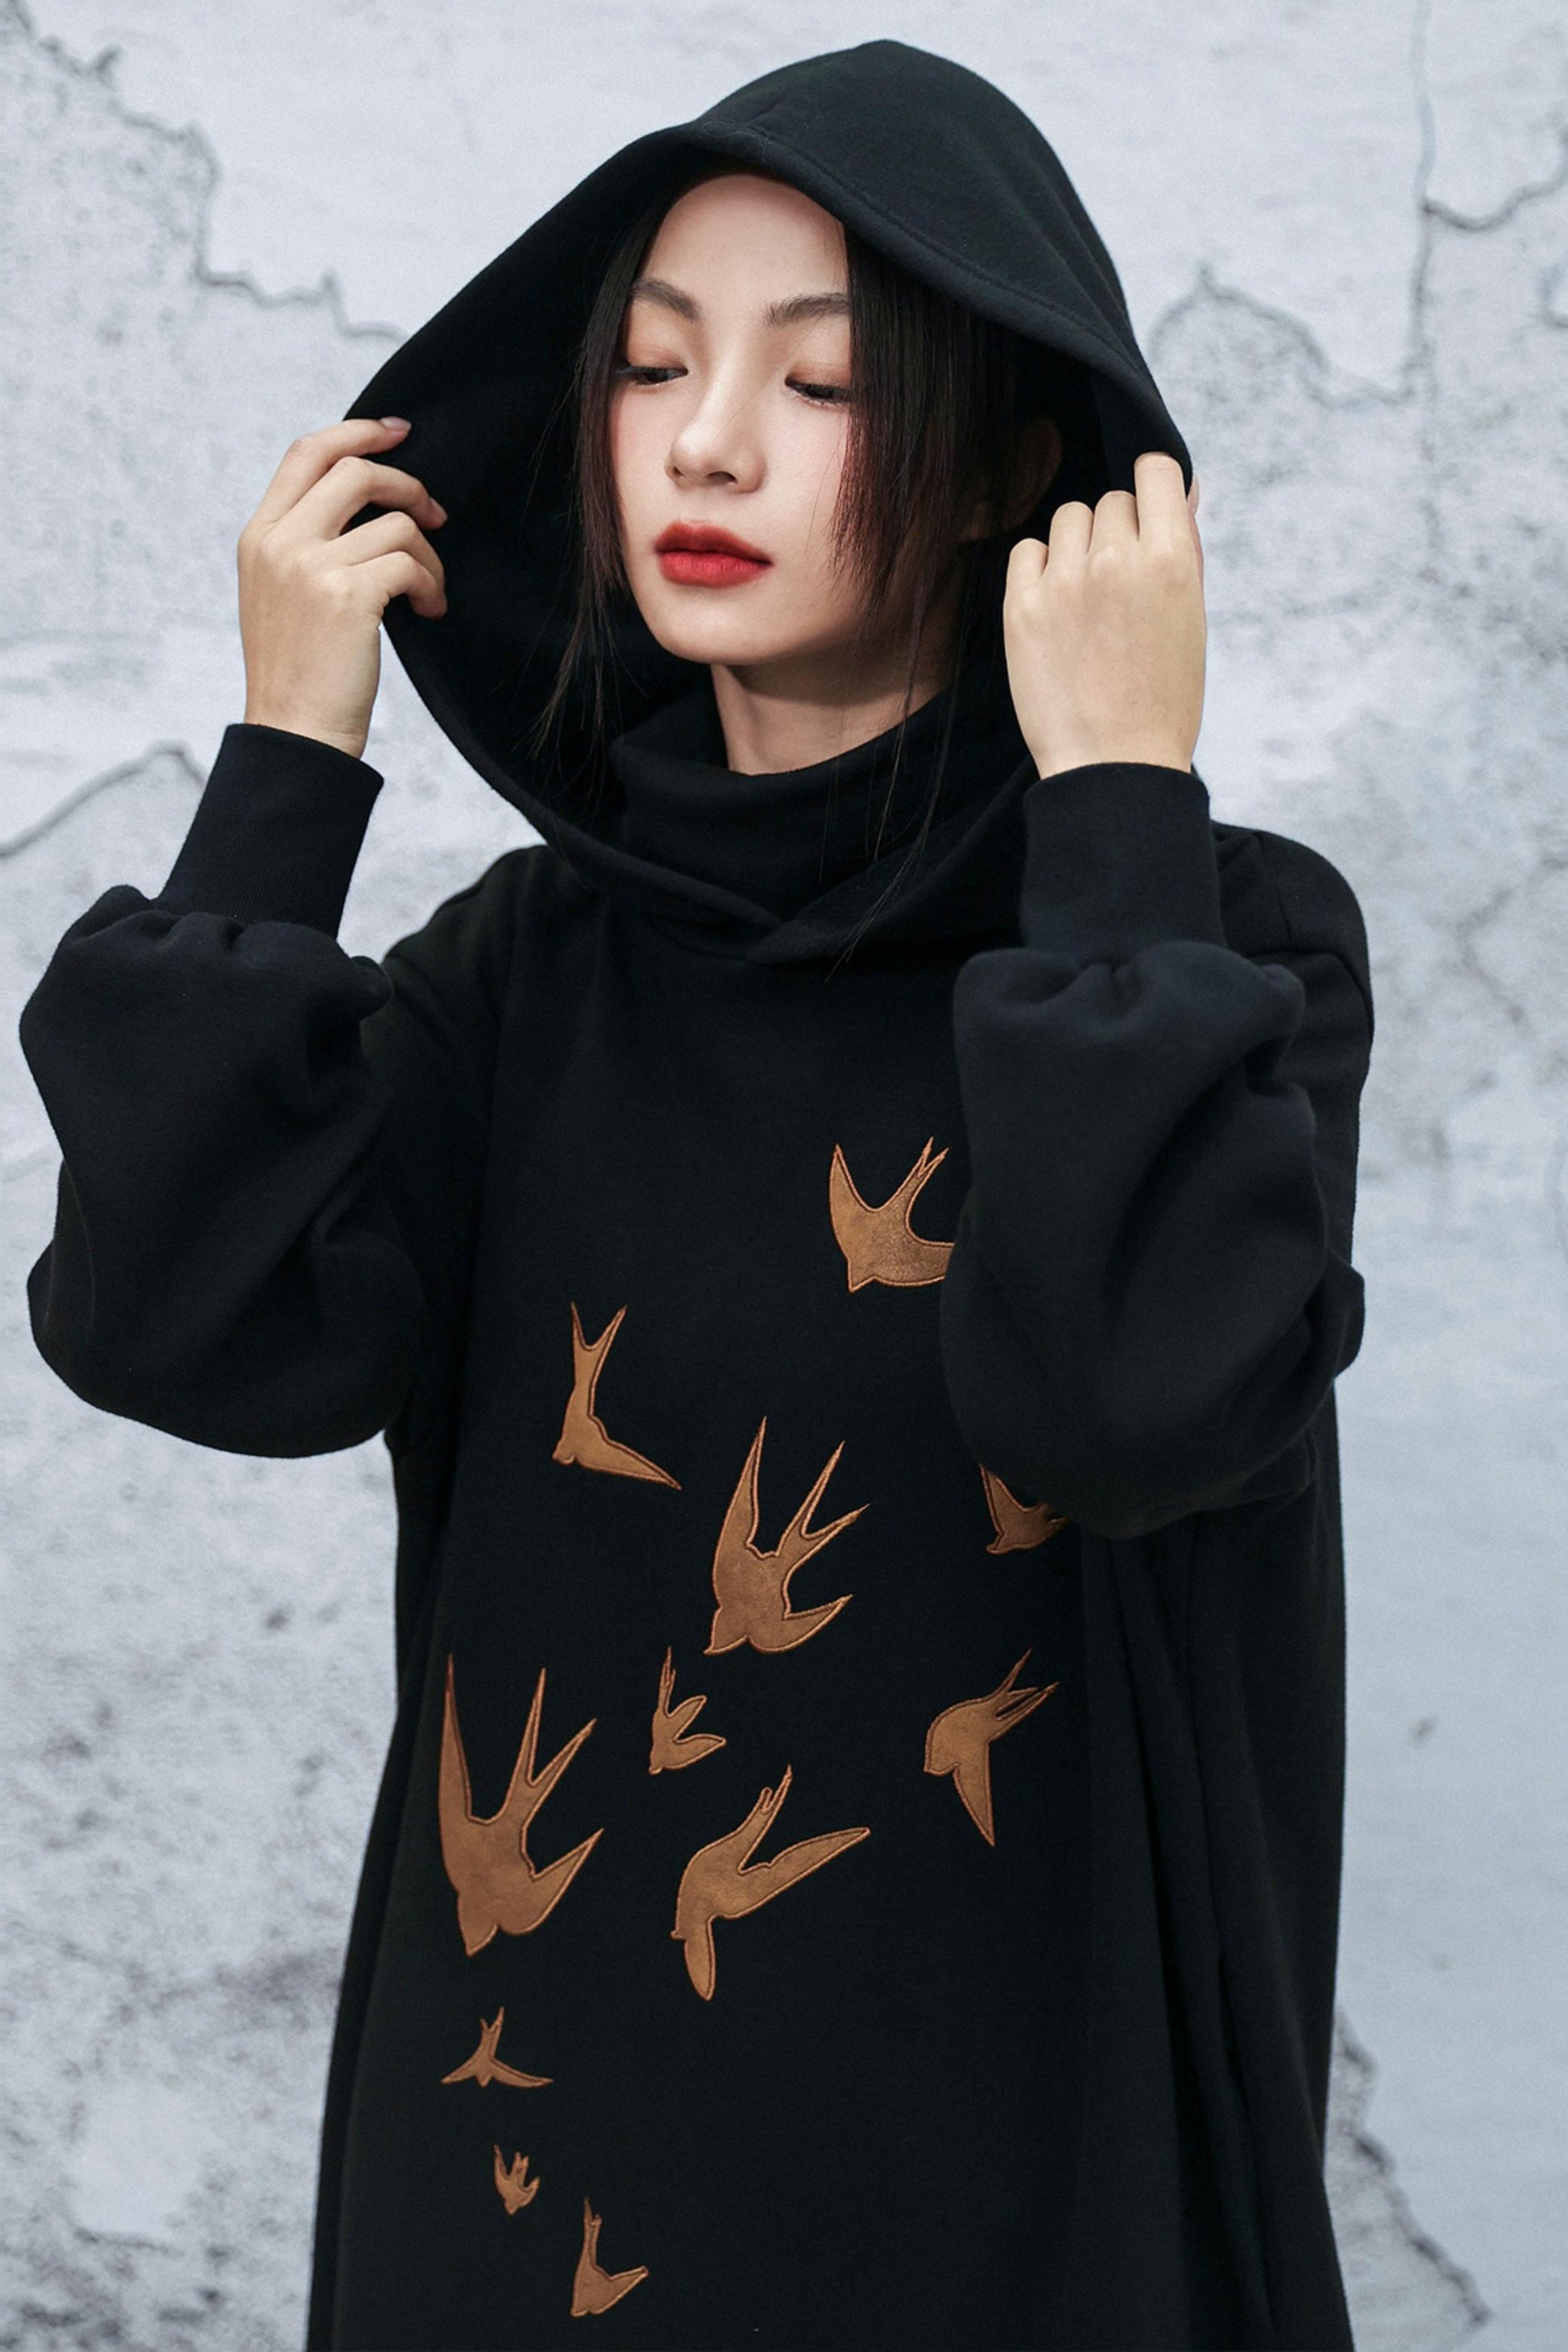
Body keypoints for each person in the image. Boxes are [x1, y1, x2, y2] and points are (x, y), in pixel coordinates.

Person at [18, 38, 1373, 2352]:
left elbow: (1128, 1411)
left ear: (1013, 471)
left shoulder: (1210, 952)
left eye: (820, 382)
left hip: (1020, 2216)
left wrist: (1117, 805)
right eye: (652, 365)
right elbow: (183, 1330)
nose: (706, 443)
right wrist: (284, 767)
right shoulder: (522, 979)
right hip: (516, 2193)